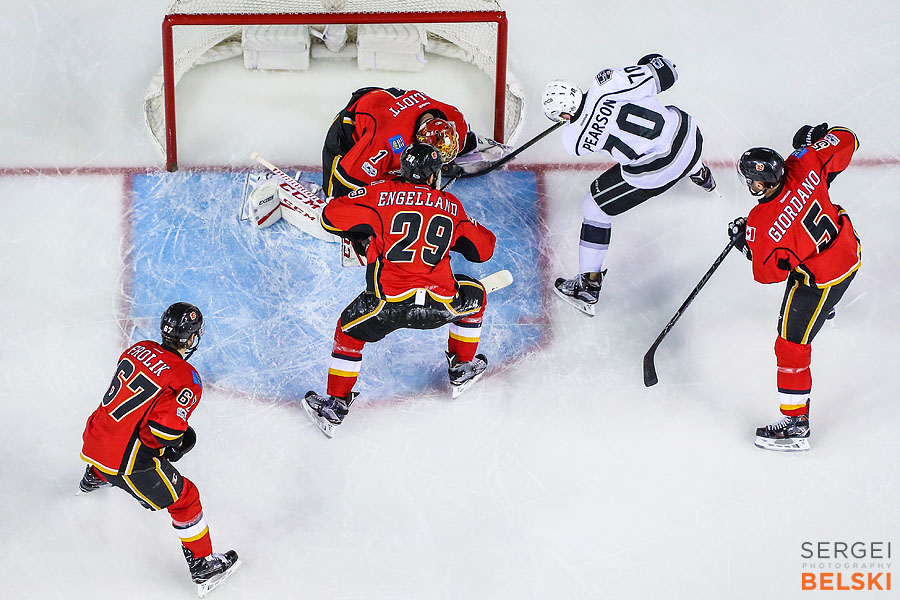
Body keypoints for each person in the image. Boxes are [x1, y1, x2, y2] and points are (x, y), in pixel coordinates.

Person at [304, 142, 497, 437]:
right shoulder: (451, 205)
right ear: (434, 175)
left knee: (348, 332)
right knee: (475, 295)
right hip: (441, 306)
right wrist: (463, 222)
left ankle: (335, 405)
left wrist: (364, 227)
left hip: (387, 307)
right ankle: (462, 366)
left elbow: (329, 217)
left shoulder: (380, 195)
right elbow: (484, 250)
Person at [78, 303, 241, 596]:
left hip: (93, 441)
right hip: (126, 464)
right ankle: (203, 564)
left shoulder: (136, 349)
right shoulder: (186, 377)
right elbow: (164, 430)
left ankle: (95, 474)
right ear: (192, 338)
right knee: (186, 498)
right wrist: (177, 444)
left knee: (119, 440)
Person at [541, 54, 717, 316]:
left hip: (660, 171)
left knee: (595, 208)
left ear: (564, 114)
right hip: (690, 137)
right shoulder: (605, 83)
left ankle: (588, 285)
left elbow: (583, 128)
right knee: (667, 132)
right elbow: (666, 72)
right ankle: (700, 172)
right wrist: (648, 64)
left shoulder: (572, 139)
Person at [729, 123, 861, 452]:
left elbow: (767, 273)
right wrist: (813, 145)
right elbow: (848, 140)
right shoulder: (803, 162)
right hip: (848, 247)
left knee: (790, 345)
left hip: (825, 277)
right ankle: (824, 308)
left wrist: (744, 243)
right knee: (800, 259)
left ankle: (796, 424)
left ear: (760, 183)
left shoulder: (761, 223)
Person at [321, 86, 511, 198]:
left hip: (392, 104)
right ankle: (327, 198)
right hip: (356, 120)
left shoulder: (456, 121)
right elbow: (347, 176)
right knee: (339, 194)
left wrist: (465, 148)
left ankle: (478, 145)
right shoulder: (384, 143)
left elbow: (459, 141)